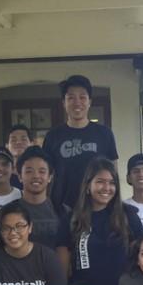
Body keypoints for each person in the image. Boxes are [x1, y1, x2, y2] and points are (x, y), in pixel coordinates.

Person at [56, 158, 143, 285]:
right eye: (100, 182)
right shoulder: (71, 219)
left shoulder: (128, 216)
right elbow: (62, 267)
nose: (106, 188)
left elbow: (140, 257)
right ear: (88, 186)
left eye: (112, 183)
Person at [43, 74, 119, 210]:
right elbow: (46, 174)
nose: (77, 102)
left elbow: (113, 173)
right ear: (64, 103)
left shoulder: (104, 134)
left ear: (90, 102)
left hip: (97, 207)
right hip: (62, 209)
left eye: (82, 97)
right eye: (71, 98)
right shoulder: (53, 136)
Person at [17, 146, 65, 248]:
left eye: (42, 171)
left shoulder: (63, 211)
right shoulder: (10, 211)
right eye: (29, 171)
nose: (36, 176)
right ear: (20, 176)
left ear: (50, 177)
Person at [5, 124, 33, 188]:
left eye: (23, 139)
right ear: (7, 146)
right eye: (13, 140)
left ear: (31, 144)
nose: (18, 142)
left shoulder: (38, 173)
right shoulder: (2, 172)